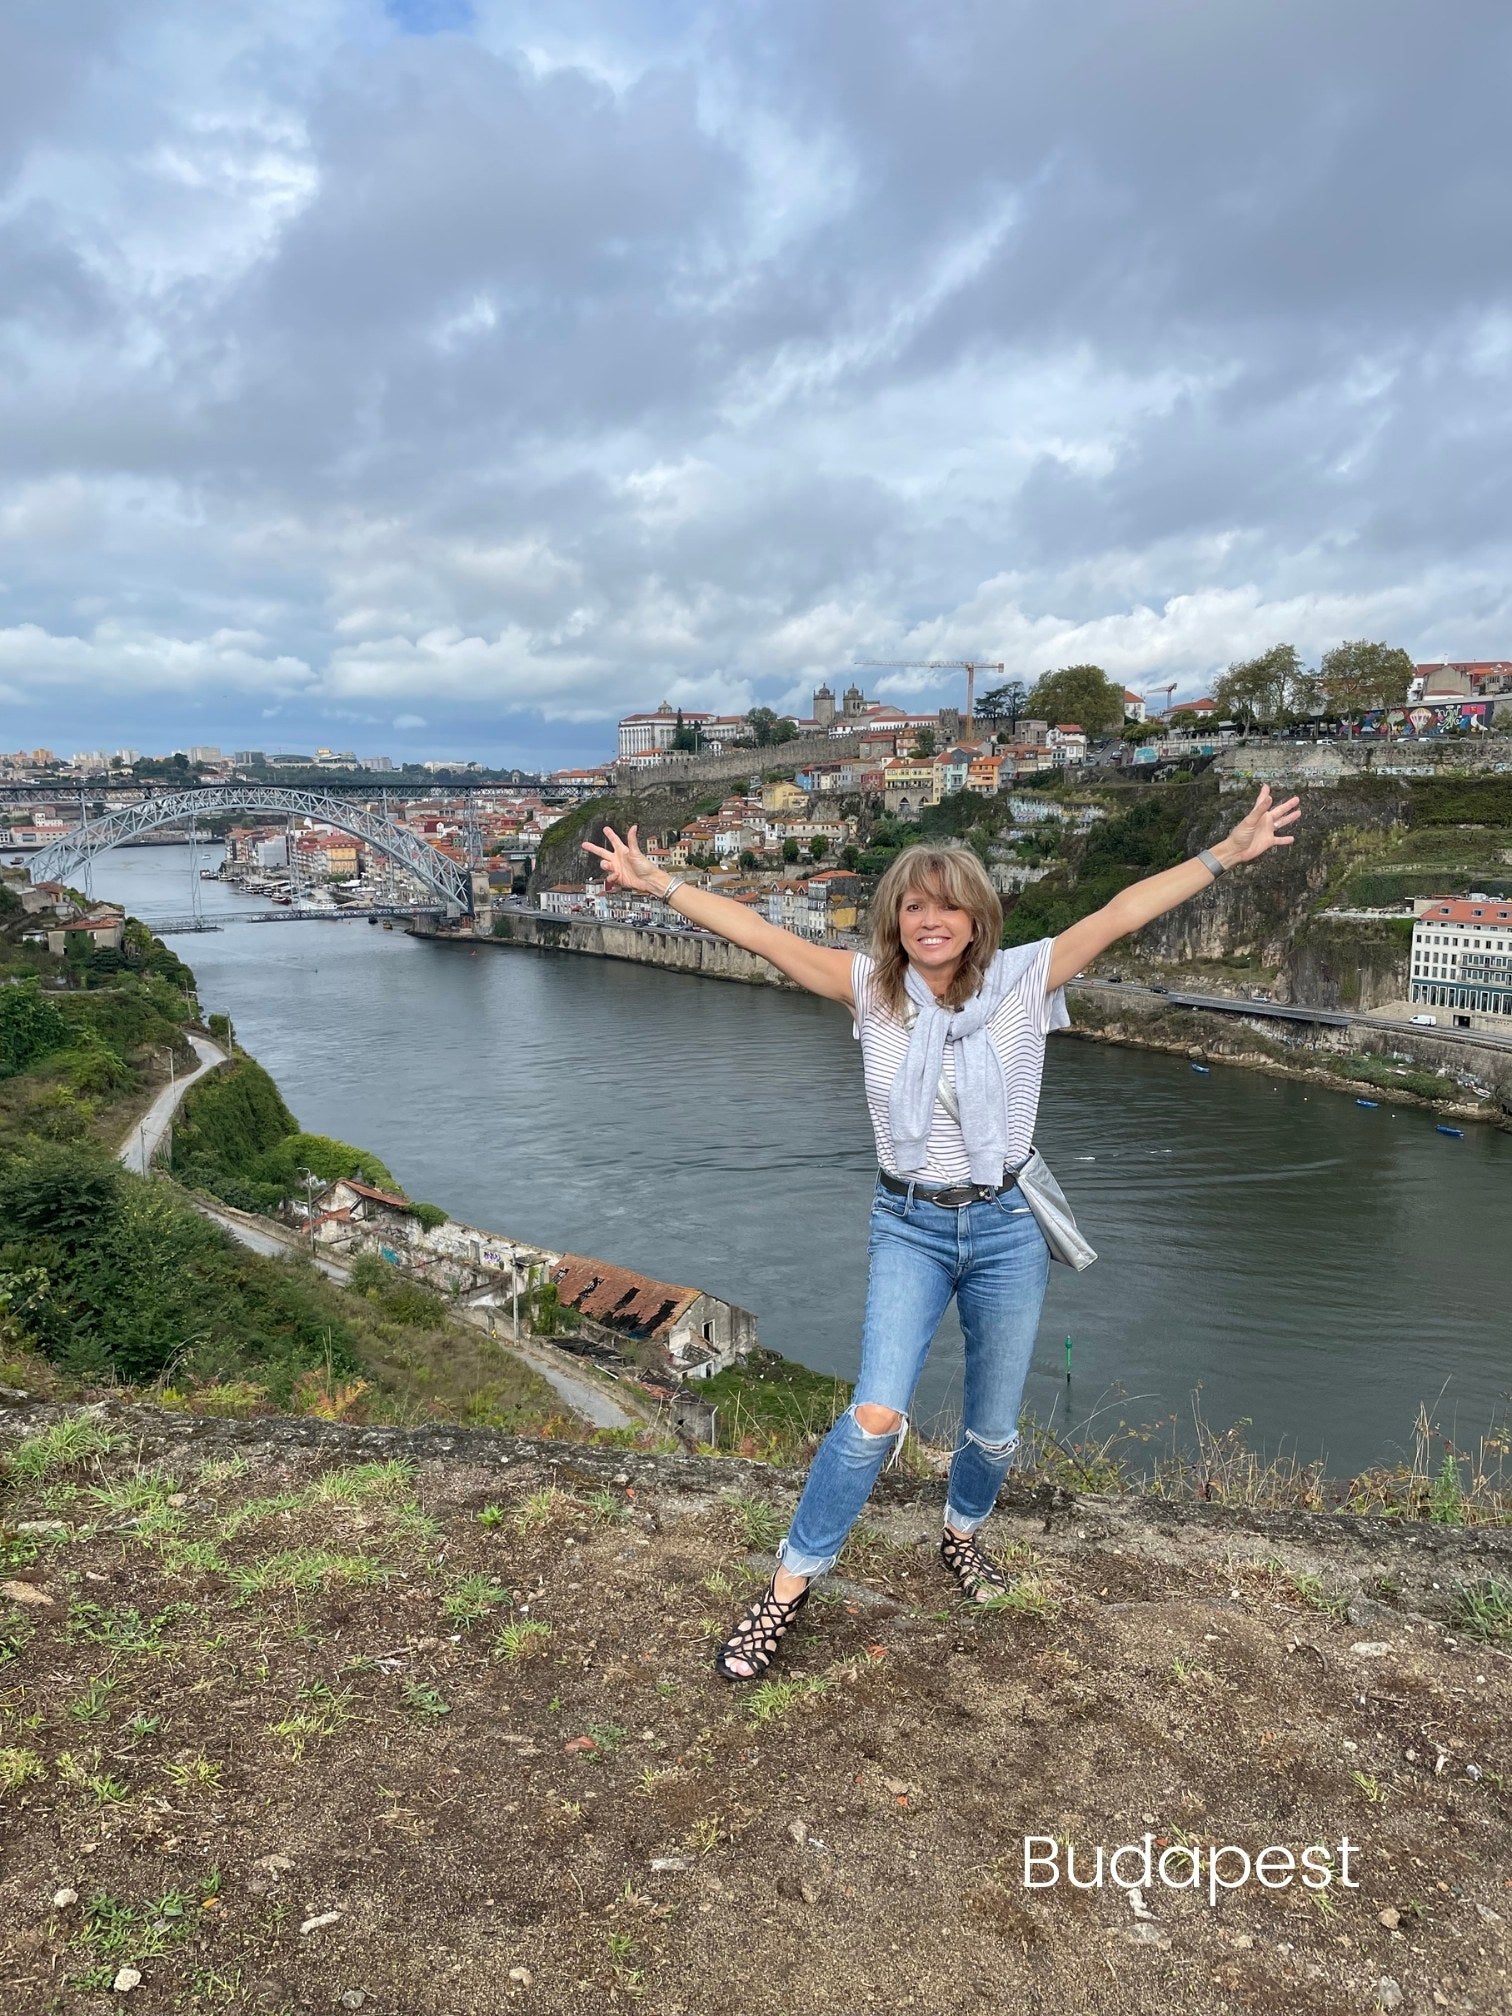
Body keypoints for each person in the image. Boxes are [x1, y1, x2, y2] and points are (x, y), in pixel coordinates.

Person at [582, 782, 1301, 1681]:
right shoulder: (868, 991)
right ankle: (786, 1589)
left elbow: (1120, 914)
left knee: (993, 1432)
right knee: (874, 1414)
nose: (932, 920)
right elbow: (763, 937)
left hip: (1005, 1225)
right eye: (915, 906)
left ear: (977, 917)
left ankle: (961, 1536)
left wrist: (1225, 854)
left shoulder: (1024, 980)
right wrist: (659, 887)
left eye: (949, 905)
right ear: (895, 918)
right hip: (911, 1223)